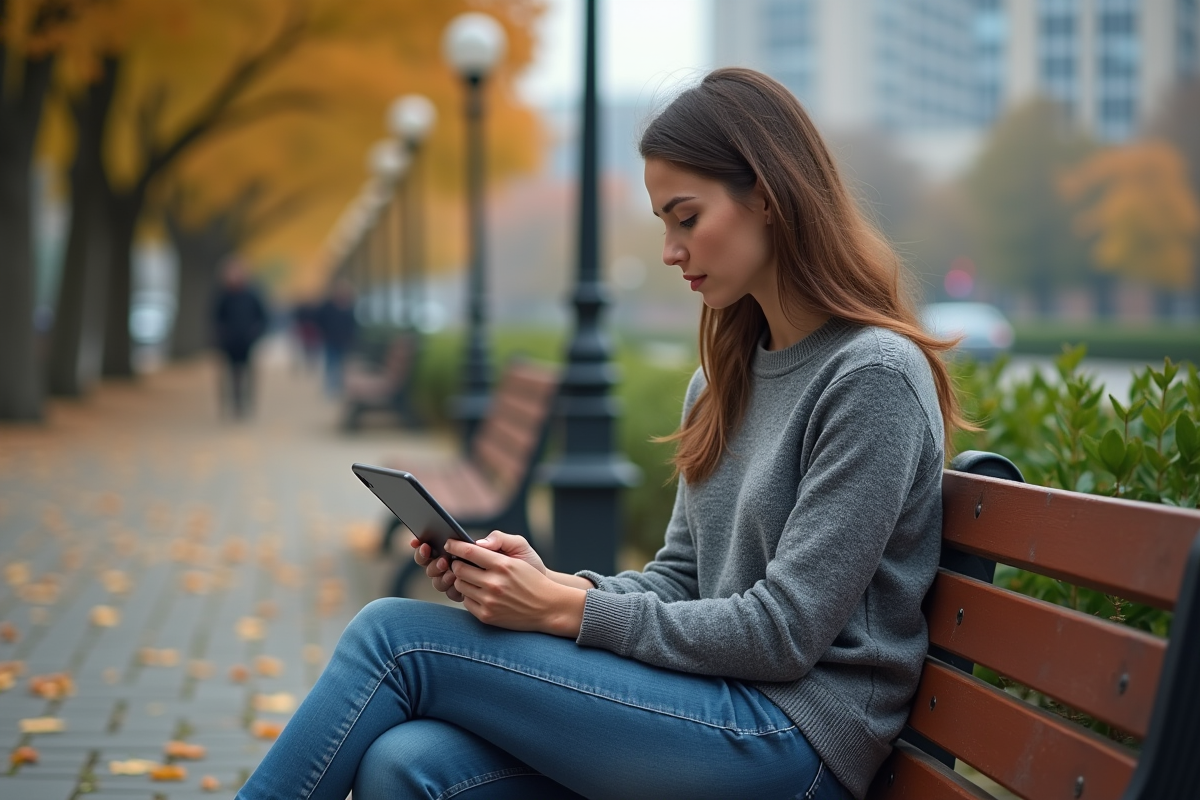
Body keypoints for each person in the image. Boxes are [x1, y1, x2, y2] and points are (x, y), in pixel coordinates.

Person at [237, 68, 967, 800]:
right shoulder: (723, 380)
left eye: (687, 217)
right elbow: (678, 580)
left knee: (394, 638)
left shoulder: (872, 375)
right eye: (663, 224)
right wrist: (544, 583)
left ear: (768, 199)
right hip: (715, 711)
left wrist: (564, 610)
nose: (670, 251)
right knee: (407, 762)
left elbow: (783, 633)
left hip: (795, 743)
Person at [211, 258, 269, 419]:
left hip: (248, 342)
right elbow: (216, 318)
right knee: (231, 375)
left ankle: (247, 403)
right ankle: (233, 405)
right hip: (229, 343)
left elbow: (263, 316)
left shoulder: (252, 294)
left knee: (248, 375)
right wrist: (221, 335)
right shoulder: (223, 295)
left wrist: (256, 333)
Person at [315, 277, 358, 396]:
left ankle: (339, 387)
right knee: (330, 364)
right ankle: (330, 388)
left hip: (344, 341)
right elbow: (320, 320)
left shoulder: (349, 306)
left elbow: (352, 325)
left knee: (342, 365)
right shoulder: (328, 306)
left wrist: (351, 336)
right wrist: (325, 332)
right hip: (331, 339)